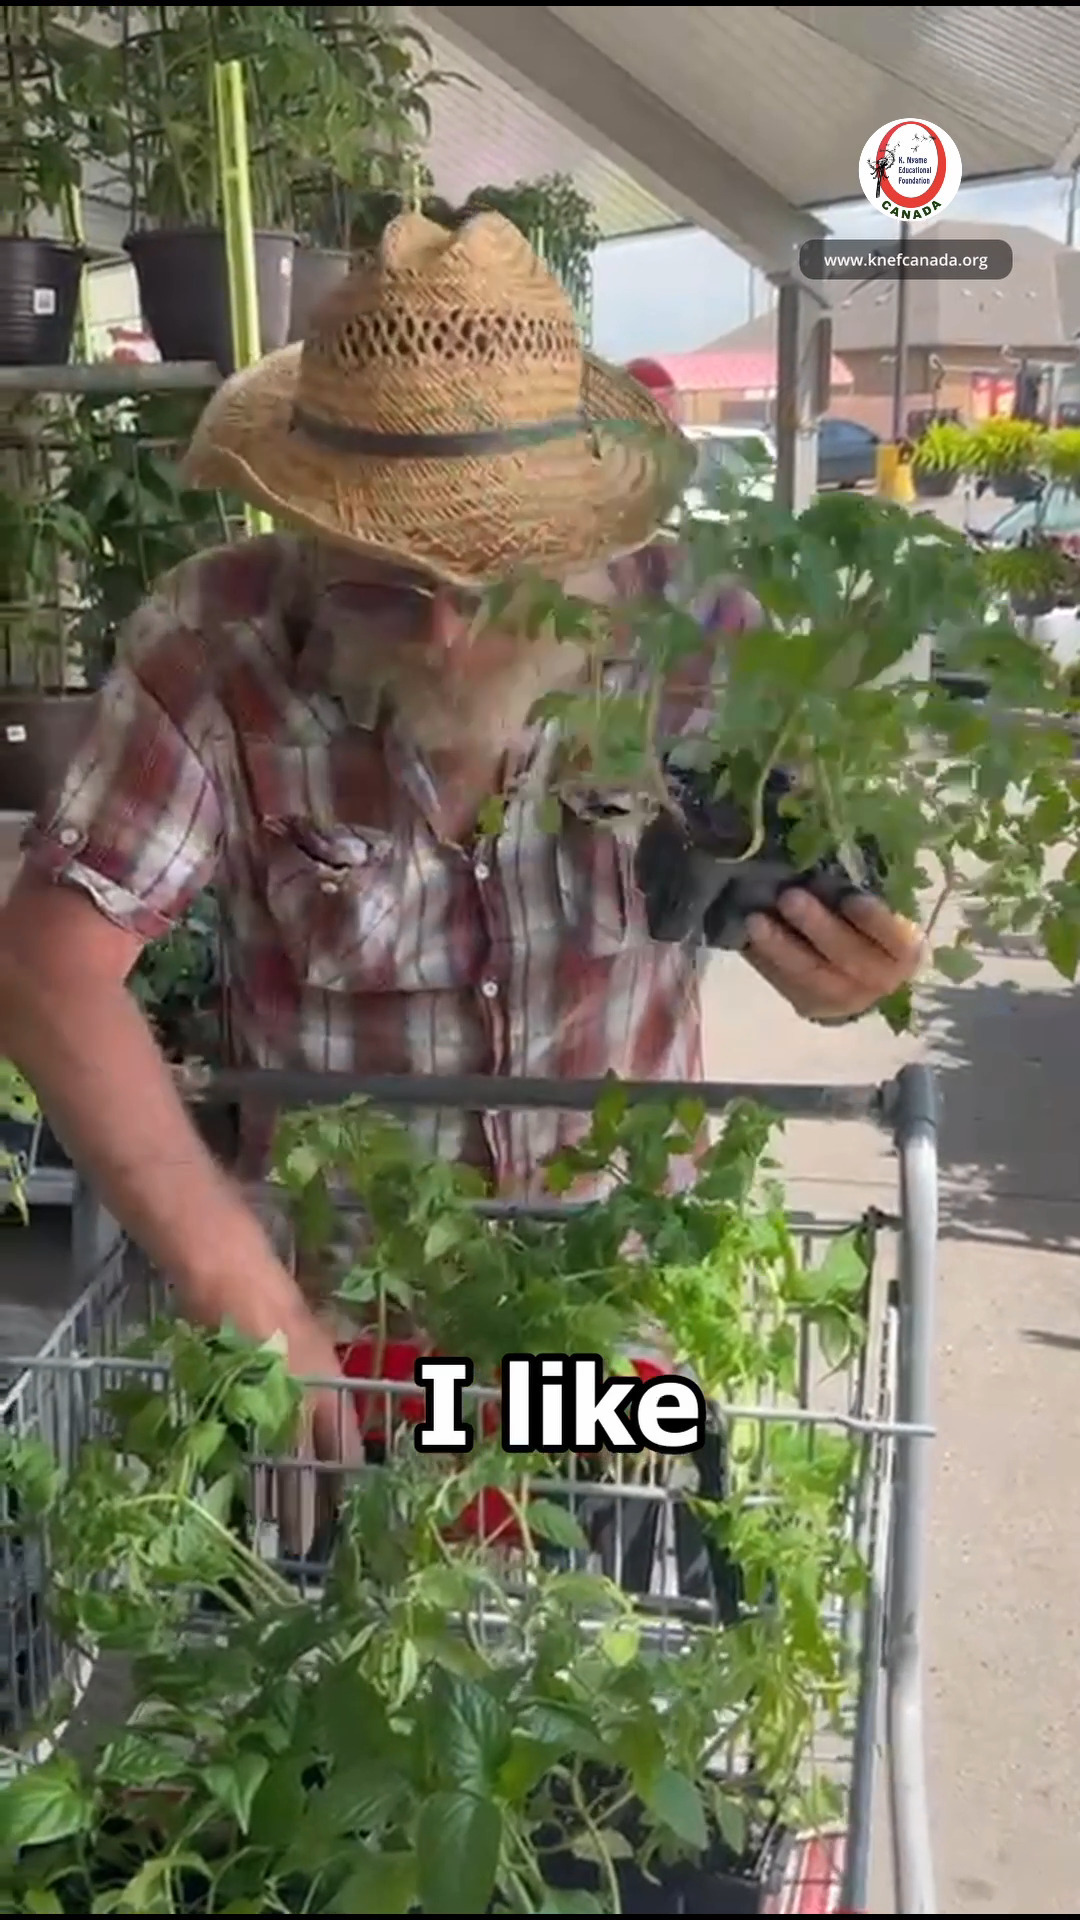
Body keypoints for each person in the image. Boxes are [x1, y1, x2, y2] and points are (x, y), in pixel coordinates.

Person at [0, 210, 923, 1456]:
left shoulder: (702, 636)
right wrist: (236, 1277)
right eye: (382, 580)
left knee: (591, 1616)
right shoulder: (219, 646)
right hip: (345, 1340)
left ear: (590, 541)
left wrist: (842, 966)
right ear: (309, 523)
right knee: (350, 1624)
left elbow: (814, 900)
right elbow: (47, 965)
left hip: (608, 1321)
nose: (440, 635)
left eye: (494, 586)